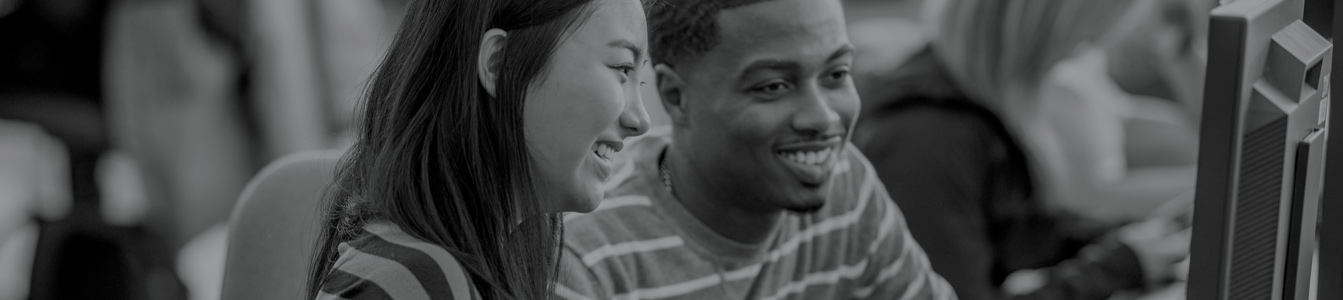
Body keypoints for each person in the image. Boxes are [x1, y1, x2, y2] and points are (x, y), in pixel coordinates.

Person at [553, 0, 955, 299]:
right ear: (676, 97)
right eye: (772, 86)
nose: (823, 118)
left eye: (836, 75)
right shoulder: (584, 260)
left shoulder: (847, 185)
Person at [304, 0, 652, 298]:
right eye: (622, 69)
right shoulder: (417, 281)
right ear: (499, 64)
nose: (641, 119)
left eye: (641, 79)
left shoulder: (487, 260)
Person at [851, 0, 1192, 299]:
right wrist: (1118, 267)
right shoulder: (927, 137)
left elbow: (1023, 231)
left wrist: (1122, 238)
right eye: (1079, 39)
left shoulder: (978, 100)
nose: (1080, 54)